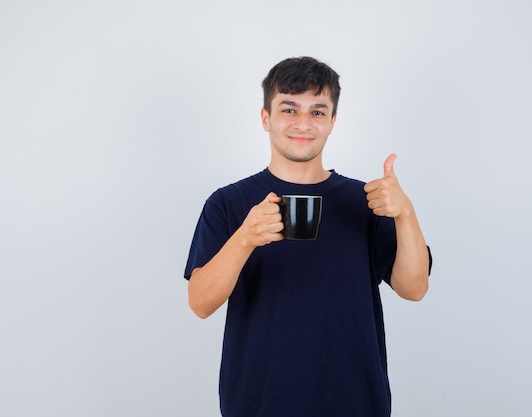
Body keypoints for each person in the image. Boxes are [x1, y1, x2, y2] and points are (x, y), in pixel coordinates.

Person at [184, 56, 432, 417]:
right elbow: (200, 303)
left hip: (356, 403)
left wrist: (405, 213)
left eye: (318, 111)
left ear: (332, 121)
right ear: (265, 118)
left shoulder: (367, 202)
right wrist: (244, 239)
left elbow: (414, 289)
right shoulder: (227, 203)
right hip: (258, 404)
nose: (303, 123)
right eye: (289, 108)